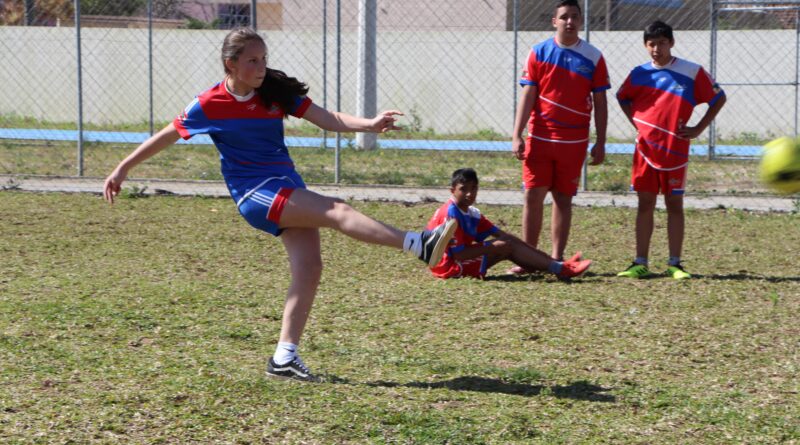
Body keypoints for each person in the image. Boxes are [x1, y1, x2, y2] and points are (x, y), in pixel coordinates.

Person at [102, 27, 457, 382]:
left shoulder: (273, 91)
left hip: (286, 184)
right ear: (231, 64)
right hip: (255, 193)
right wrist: (122, 168)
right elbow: (164, 137)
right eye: (253, 61)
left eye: (264, 59)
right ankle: (419, 244)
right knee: (337, 210)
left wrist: (370, 124)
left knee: (310, 267)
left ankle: (284, 358)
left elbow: (326, 117)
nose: (261, 67)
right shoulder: (208, 104)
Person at [615, 20, 726, 279]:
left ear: (671, 43)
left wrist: (698, 128)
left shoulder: (691, 71)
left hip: (675, 152)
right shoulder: (638, 74)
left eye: (662, 43)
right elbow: (623, 97)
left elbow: (718, 98)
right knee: (645, 204)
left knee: (674, 204)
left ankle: (675, 264)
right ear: (645, 45)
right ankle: (639, 262)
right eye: (651, 44)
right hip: (645, 151)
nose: (656, 49)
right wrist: (638, 123)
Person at [509, 0, 610, 275]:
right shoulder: (538, 52)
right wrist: (517, 134)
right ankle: (528, 259)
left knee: (563, 199)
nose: (570, 21)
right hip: (540, 137)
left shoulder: (593, 56)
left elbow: (600, 102)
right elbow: (528, 94)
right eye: (564, 17)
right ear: (554, 21)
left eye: (575, 17)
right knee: (533, 195)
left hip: (574, 142)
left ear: (581, 21)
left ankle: (555, 259)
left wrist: (601, 141)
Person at [426, 168, 592, 280]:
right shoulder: (451, 215)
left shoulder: (471, 212)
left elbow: (503, 236)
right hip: (449, 268)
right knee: (505, 246)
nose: (470, 193)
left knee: (508, 243)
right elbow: (458, 255)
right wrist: (493, 247)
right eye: (463, 189)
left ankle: (558, 266)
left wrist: (502, 243)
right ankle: (560, 269)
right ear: (452, 190)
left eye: (474, 188)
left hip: (457, 261)